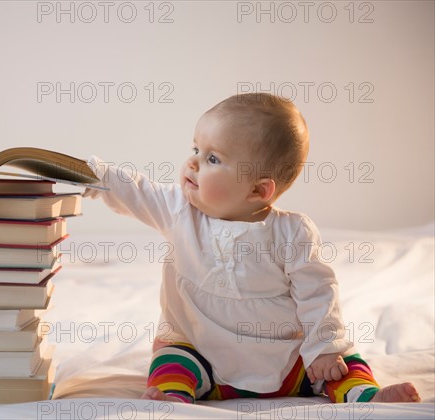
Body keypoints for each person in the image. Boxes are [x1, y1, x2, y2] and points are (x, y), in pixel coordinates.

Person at [83, 93, 421, 404]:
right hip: (204, 356)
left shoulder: (292, 232)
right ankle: (174, 397)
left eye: (212, 158)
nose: (193, 162)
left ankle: (366, 395)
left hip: (289, 361)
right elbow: (133, 190)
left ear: (259, 190)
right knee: (172, 358)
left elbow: (318, 293)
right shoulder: (177, 210)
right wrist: (91, 175)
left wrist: (323, 348)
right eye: (196, 149)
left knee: (341, 363)